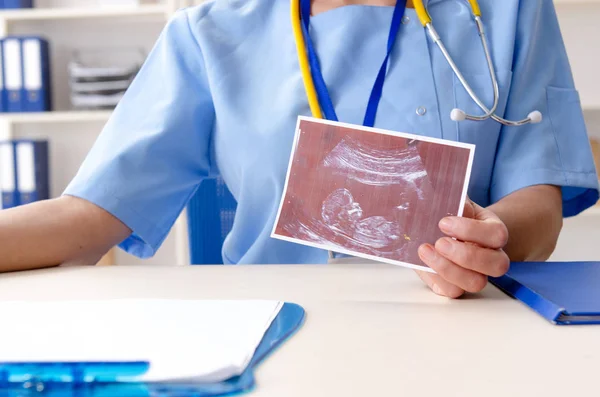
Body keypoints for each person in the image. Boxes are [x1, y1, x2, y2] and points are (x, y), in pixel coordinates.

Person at [0, 0, 597, 299]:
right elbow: (89, 213)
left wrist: (489, 239)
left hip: (468, 320)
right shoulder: (212, 29)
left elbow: (539, 198)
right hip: (276, 324)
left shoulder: (507, 10)